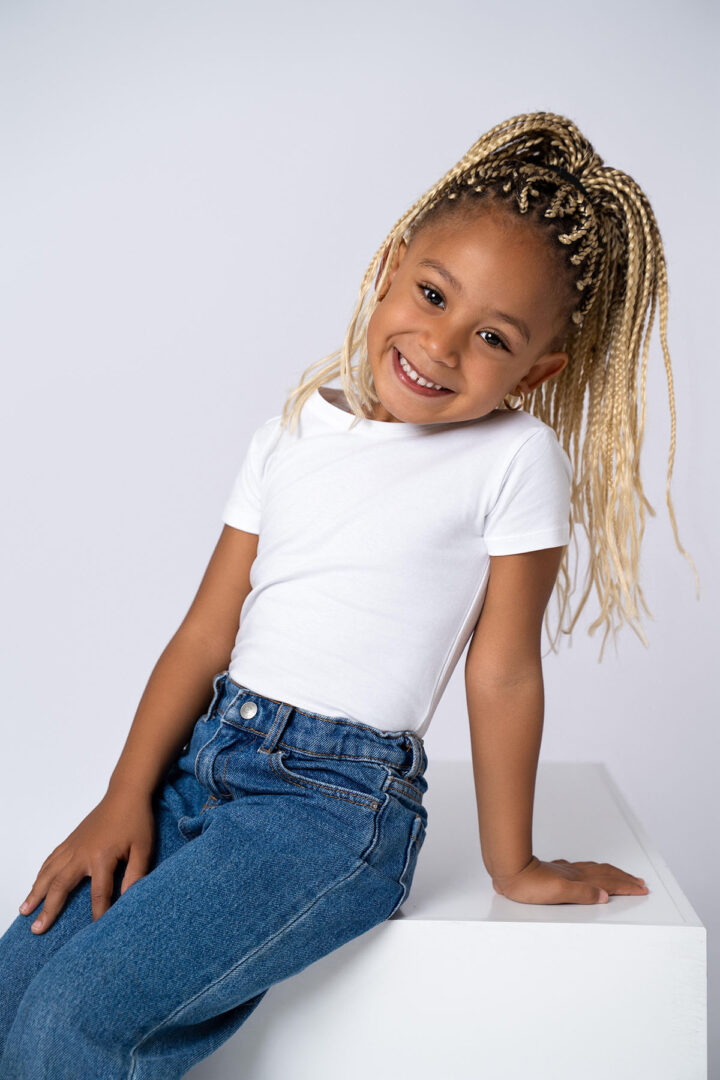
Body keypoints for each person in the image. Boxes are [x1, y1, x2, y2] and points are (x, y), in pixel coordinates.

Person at [0, 109, 699, 1077]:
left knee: (75, 1018)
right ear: (390, 265)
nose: (441, 345)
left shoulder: (515, 457)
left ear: (538, 369)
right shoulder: (292, 430)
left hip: (332, 811)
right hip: (208, 759)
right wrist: (124, 797)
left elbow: (502, 672)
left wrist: (515, 864)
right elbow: (204, 636)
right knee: (14, 986)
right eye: (432, 294)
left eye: (492, 337)